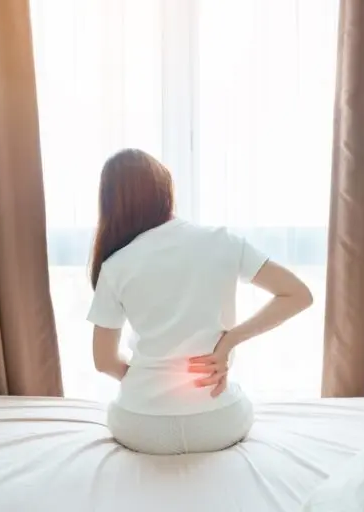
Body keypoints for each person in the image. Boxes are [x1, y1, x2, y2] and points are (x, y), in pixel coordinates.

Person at [87, 148, 313, 455]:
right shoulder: (222, 241)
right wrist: (230, 340)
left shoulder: (115, 265)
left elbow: (103, 361)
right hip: (217, 422)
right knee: (240, 401)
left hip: (141, 426)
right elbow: (298, 294)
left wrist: (145, 380)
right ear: (165, 191)